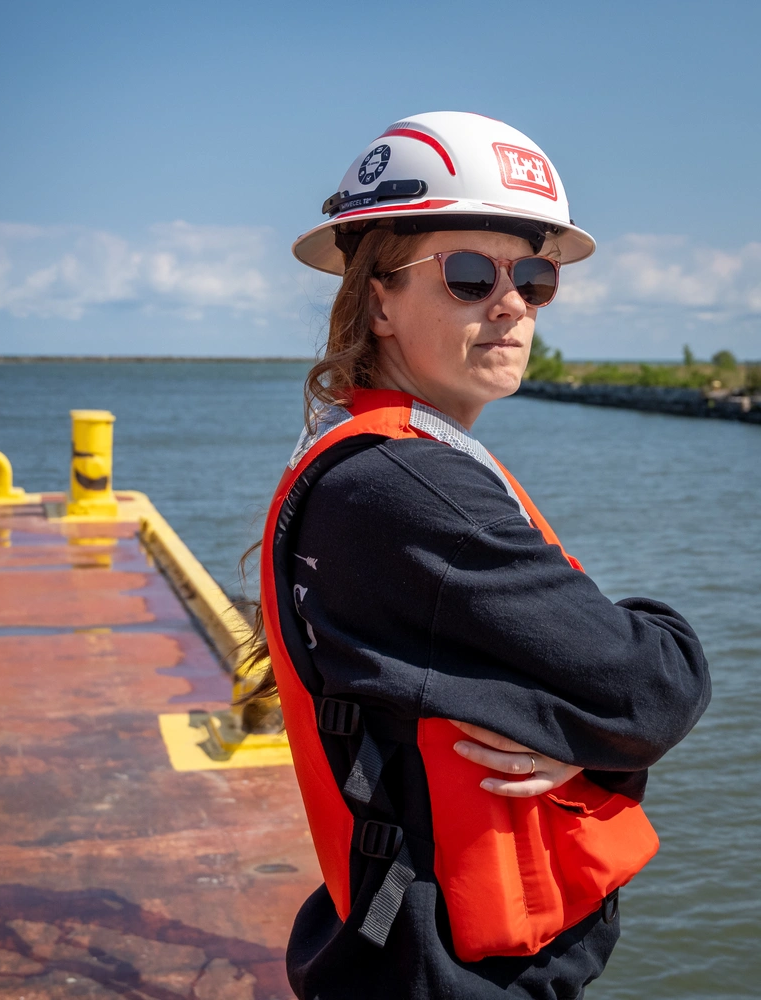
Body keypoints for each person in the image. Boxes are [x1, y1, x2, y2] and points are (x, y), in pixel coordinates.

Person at [242, 112, 711, 999]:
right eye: (467, 275)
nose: (511, 305)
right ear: (377, 298)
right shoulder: (409, 490)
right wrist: (604, 712)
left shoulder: (364, 459)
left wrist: (572, 728)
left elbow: (587, 690)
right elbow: (658, 685)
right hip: (452, 972)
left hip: (399, 945)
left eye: (533, 279)